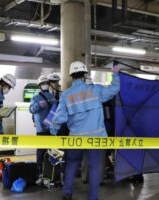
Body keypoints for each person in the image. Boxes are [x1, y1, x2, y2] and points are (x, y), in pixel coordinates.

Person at [51, 61, 120, 200]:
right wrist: (115, 74)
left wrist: (53, 132)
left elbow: (59, 117)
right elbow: (114, 90)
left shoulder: (66, 95)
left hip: (75, 137)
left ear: (71, 76)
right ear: (85, 75)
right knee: (95, 167)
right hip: (97, 137)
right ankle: (93, 197)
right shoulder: (95, 90)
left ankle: (67, 193)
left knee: (71, 164)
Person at [29, 75, 56, 185]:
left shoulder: (52, 96)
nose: (44, 85)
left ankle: (49, 174)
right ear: (39, 86)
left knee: (50, 152)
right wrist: (38, 105)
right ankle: (39, 174)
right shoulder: (35, 98)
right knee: (40, 153)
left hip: (52, 128)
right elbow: (31, 109)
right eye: (42, 83)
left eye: (46, 83)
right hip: (41, 129)